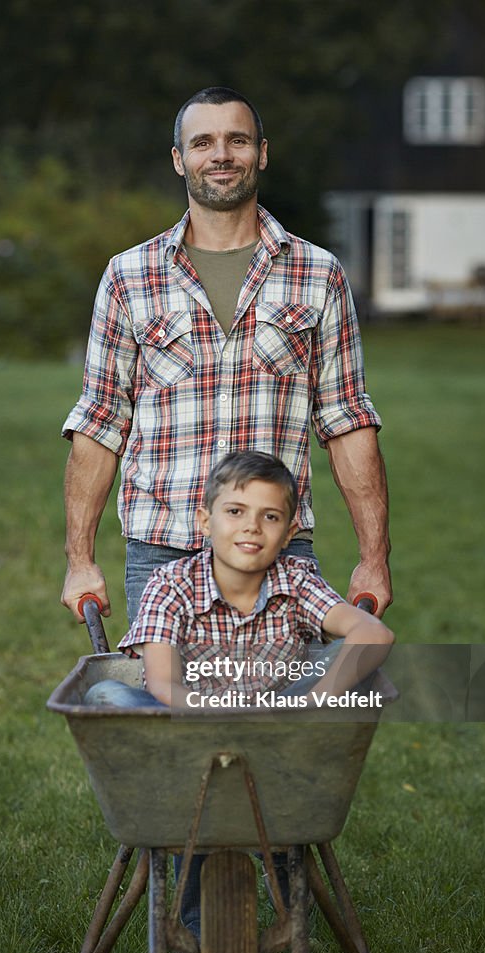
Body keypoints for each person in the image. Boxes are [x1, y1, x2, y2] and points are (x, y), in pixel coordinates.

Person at [61, 85, 392, 630]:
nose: (221, 155)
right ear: (179, 159)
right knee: (170, 711)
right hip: (162, 555)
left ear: (261, 153)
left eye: (237, 140)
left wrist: (374, 560)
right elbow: (100, 422)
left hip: (280, 557)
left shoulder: (318, 274)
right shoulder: (128, 277)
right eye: (203, 143)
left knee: (272, 713)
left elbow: (347, 421)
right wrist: (79, 560)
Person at [83, 451, 395, 947]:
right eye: (235, 512)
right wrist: (214, 714)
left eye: (270, 517)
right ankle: (193, 938)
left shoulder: (295, 582)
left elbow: (373, 635)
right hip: (186, 740)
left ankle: (290, 919)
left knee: (346, 661)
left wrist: (313, 701)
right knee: (104, 692)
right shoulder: (170, 584)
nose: (252, 528)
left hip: (276, 740)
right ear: (205, 520)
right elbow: (161, 684)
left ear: (289, 532)